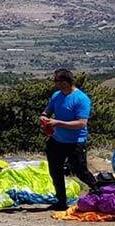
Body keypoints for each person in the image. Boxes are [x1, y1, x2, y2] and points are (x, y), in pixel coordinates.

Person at [42, 68, 98, 210]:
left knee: (80, 171)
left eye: (57, 81)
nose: (55, 84)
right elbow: (48, 110)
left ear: (66, 82)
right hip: (56, 140)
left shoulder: (81, 99)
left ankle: (99, 191)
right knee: (55, 171)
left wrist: (58, 123)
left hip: (75, 142)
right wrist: (44, 116)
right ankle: (61, 201)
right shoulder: (56, 96)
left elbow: (81, 123)